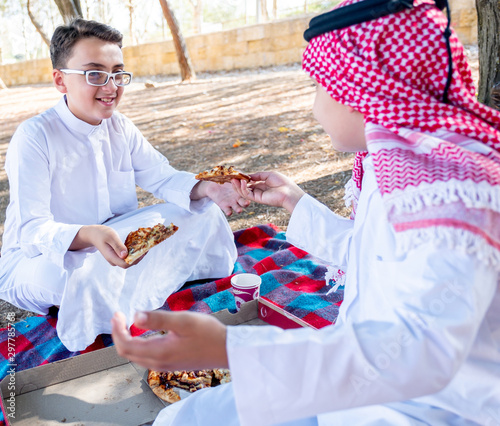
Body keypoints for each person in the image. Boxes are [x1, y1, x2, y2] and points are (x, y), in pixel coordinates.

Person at [111, 0, 500, 424]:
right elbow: (377, 257)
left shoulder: (453, 196)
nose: (315, 108)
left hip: (419, 411)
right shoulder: (400, 167)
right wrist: (297, 204)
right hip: (358, 387)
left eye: (319, 86)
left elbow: (417, 355)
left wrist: (230, 349)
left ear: (363, 89)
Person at [0, 18, 250, 352]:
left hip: (117, 236)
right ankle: (117, 294)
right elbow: (32, 229)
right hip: (49, 254)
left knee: (203, 212)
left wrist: (210, 189)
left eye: (117, 73)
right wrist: (89, 235)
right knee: (80, 278)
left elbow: (161, 176)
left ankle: (125, 288)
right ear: (60, 80)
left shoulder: (121, 127)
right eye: (95, 74)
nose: (111, 86)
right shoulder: (34, 137)